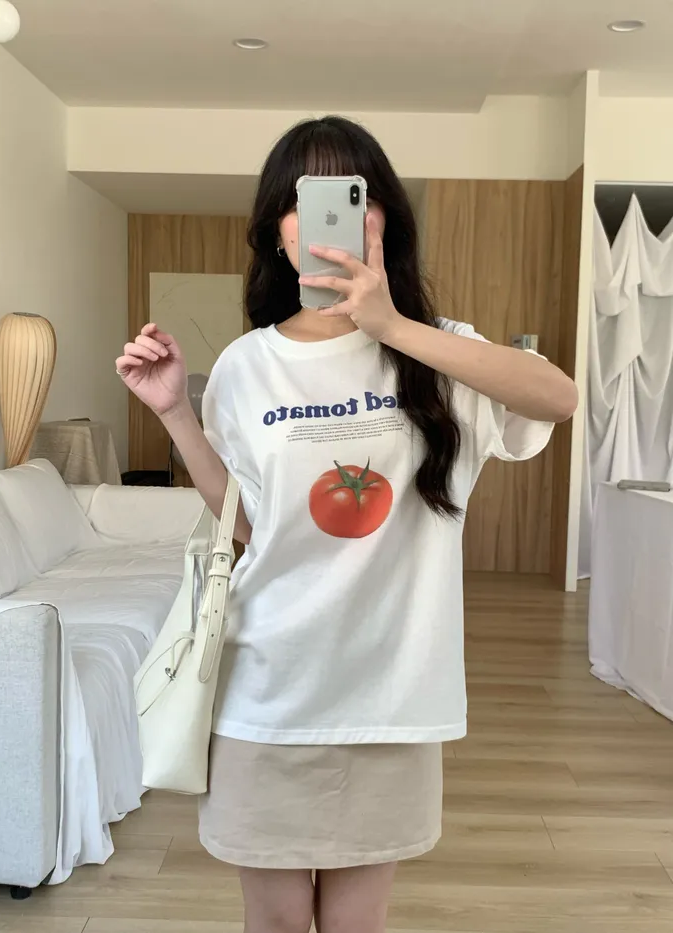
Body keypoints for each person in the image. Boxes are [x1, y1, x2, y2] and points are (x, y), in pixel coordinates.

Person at [116, 116, 578, 933]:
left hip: (391, 699)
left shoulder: (440, 352)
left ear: (382, 217)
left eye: (351, 194)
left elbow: (559, 396)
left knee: (358, 923)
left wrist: (393, 328)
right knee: (276, 920)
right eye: (303, 199)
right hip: (267, 690)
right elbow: (247, 527)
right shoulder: (247, 365)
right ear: (278, 232)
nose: (327, 218)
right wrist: (175, 412)